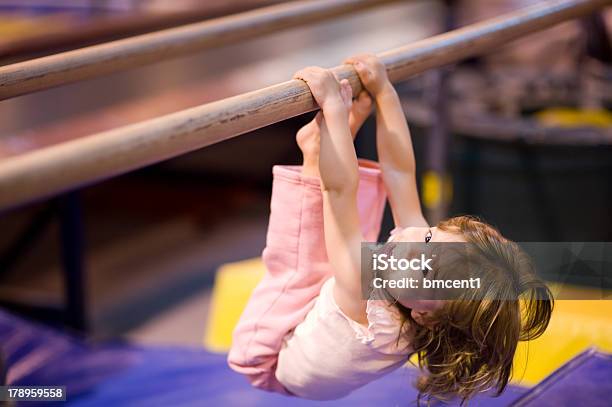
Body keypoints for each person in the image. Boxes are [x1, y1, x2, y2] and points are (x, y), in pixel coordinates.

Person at [228, 54, 553, 404]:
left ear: (425, 317)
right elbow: (399, 171)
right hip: (326, 324)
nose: (412, 247)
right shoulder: (419, 263)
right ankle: (320, 148)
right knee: (357, 240)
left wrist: (334, 109)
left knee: (310, 260)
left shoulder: (369, 306)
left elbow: (338, 191)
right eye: (430, 237)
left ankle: (317, 153)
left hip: (270, 358)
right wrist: (385, 91)